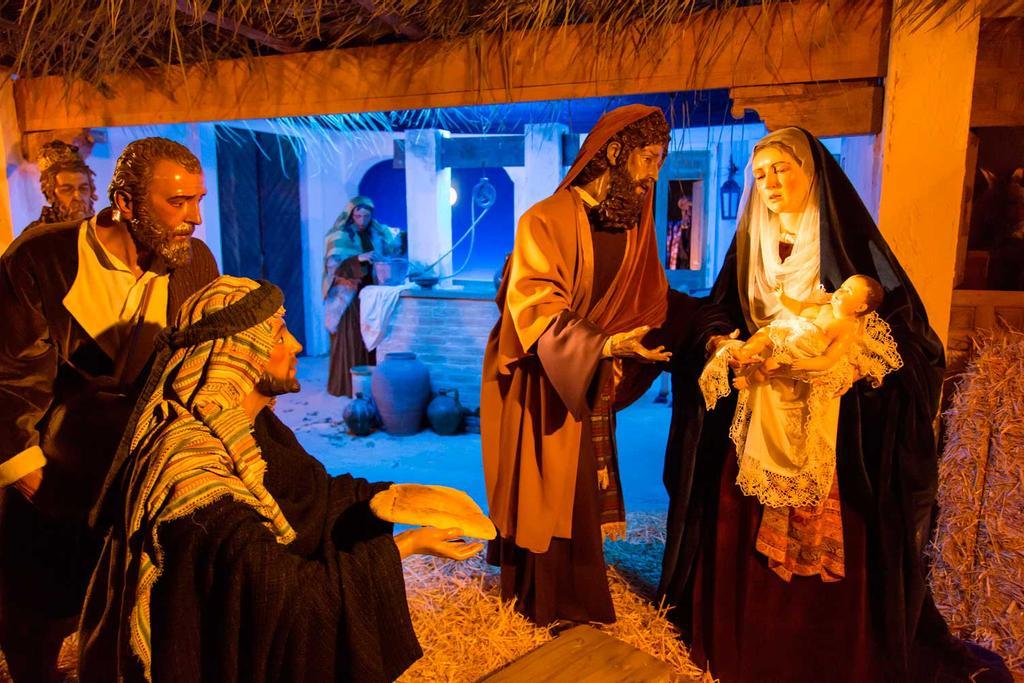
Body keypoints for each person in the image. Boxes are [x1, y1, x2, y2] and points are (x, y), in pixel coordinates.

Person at [658, 127, 1010, 682]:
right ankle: (741, 648)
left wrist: (853, 368)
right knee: (737, 526)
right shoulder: (751, 240)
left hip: (828, 420)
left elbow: (909, 337)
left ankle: (818, 659)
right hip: (760, 412)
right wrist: (724, 343)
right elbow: (719, 307)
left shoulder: (848, 243)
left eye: (781, 170)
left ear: (811, 173)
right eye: (760, 175)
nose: (769, 183)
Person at [79, 276, 483, 682]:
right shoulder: (194, 475)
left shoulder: (254, 428)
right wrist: (404, 547)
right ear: (240, 353)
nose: (298, 346)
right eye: (279, 334)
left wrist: (389, 498)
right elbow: (284, 597)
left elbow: (311, 496)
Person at [481, 104, 728, 627]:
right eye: (648, 157)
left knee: (580, 495)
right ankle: (544, 602)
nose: (655, 173)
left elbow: (651, 299)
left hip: (586, 370)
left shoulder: (632, 225)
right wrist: (605, 347)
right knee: (548, 489)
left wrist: (708, 329)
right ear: (614, 153)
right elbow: (534, 306)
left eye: (661, 159)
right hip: (544, 374)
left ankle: (575, 600)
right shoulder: (544, 220)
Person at [0, 137, 219, 682]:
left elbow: (203, 371)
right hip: (53, 473)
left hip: (142, 479)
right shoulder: (42, 258)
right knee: (38, 618)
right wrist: (37, 485)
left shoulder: (195, 264)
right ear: (125, 202)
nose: (194, 218)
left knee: (136, 621)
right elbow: (10, 377)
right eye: (178, 203)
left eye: (198, 200)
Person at [322, 195, 403, 396]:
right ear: (351, 215)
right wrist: (359, 258)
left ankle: (369, 385)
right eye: (359, 215)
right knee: (352, 338)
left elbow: (392, 246)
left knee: (370, 334)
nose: (363, 219)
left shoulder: (376, 232)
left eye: (367, 216)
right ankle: (347, 386)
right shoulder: (339, 236)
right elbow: (334, 268)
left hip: (370, 293)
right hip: (348, 298)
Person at [25, 140, 98, 230]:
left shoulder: (98, 231)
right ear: (50, 194)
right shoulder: (36, 235)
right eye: (67, 190)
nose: (78, 197)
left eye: (83, 189)